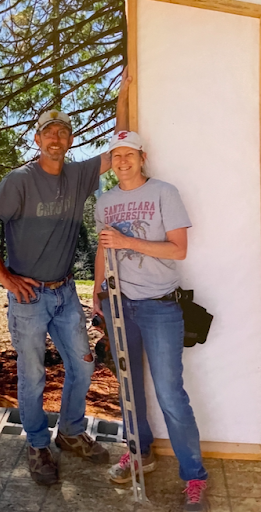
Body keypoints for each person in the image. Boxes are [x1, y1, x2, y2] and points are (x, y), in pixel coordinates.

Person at [0, 70, 132, 486]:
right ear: (37, 140)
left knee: (82, 364)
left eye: (63, 132)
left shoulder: (79, 176)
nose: (56, 138)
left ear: (70, 140)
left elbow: (119, 145)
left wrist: (124, 92)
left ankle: (71, 433)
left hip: (65, 293)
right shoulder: (20, 180)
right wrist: (5, 277)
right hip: (28, 298)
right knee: (33, 373)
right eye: (49, 132)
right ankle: (38, 444)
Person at [92, 130, 209, 511]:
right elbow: (102, 247)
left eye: (130, 154)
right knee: (129, 390)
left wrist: (129, 243)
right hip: (118, 305)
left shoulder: (164, 193)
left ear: (142, 156)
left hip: (159, 306)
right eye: (116, 156)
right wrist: (97, 290)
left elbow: (179, 250)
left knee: (170, 394)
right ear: (111, 162)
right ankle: (139, 452)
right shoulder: (105, 200)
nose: (123, 162)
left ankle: (194, 477)